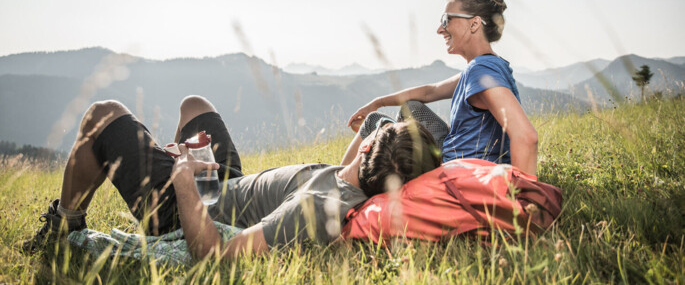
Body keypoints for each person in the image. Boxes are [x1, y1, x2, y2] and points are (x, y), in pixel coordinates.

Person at [22, 95, 440, 261]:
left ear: (369, 151)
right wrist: (384, 122)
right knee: (194, 106)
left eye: (377, 135)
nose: (374, 129)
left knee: (103, 114)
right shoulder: (356, 175)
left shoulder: (321, 205)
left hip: (190, 208)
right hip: (225, 186)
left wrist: (183, 179)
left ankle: (63, 225)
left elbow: (215, 254)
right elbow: (401, 115)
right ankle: (162, 167)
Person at [345, 0, 538, 176]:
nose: (440, 29)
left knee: (373, 123)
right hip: (454, 158)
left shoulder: (482, 70)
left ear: (474, 24)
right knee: (409, 108)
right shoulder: (482, 68)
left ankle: (338, 186)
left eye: (447, 20)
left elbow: (526, 136)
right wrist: (377, 102)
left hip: (461, 171)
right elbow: (430, 91)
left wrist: (521, 198)